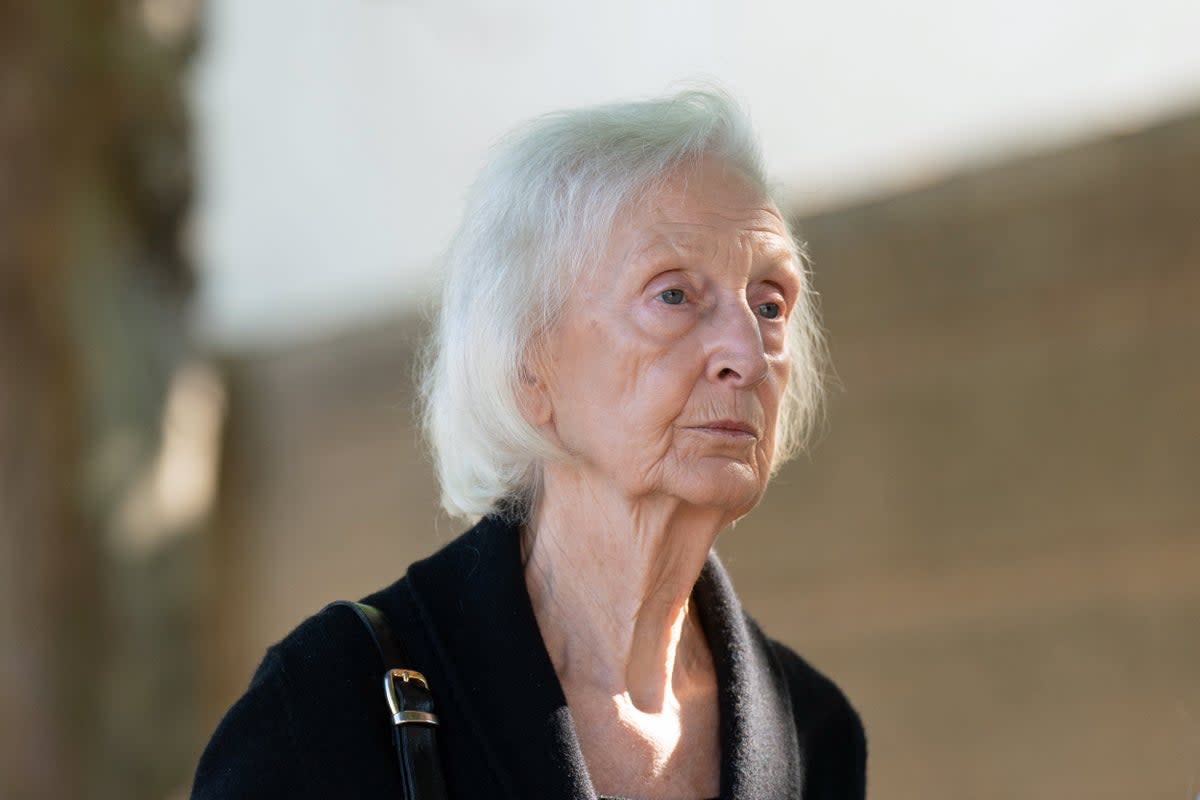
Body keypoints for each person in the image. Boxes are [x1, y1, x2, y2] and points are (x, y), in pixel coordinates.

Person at [192, 88, 866, 800]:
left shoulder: (816, 736)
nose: (748, 355)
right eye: (673, 295)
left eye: (769, 305)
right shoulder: (328, 707)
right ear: (527, 366)